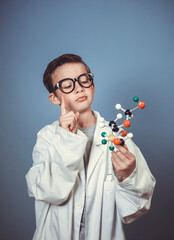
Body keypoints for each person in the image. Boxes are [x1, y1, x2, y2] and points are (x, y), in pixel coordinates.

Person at [25, 53, 156, 240]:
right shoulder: (48, 137)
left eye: (83, 80)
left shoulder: (118, 138)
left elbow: (135, 209)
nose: (78, 88)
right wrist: (66, 139)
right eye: (68, 85)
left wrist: (127, 176)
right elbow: (49, 191)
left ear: (92, 85)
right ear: (54, 98)